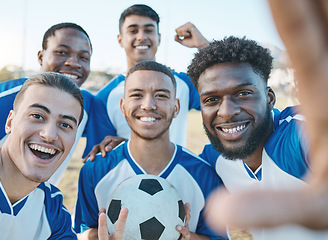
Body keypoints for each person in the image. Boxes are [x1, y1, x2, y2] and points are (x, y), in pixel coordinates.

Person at [185, 33, 328, 239]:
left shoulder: (299, 134)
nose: (226, 111)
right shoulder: (214, 158)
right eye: (212, 99)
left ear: (269, 98)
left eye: (243, 93)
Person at [74, 61, 226, 240]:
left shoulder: (204, 174)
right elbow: (81, 232)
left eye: (161, 95)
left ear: (176, 107)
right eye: (137, 95)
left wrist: (190, 238)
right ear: (123, 106)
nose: (148, 105)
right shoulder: (95, 170)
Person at [0, 22, 116, 185]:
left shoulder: (88, 104)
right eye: (61, 52)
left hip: (40, 207)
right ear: (41, 57)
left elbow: (106, 145)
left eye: (83, 57)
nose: (74, 63)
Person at [0, 72, 82, 239]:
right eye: (37, 116)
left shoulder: (54, 212)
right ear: (10, 123)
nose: (49, 135)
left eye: (65, 124)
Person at [95, 4, 208, 150]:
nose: (141, 37)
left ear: (159, 38)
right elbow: (101, 152)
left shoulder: (183, 83)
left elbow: (226, 88)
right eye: (133, 31)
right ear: (120, 39)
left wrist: (205, 47)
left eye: (148, 30)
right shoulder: (104, 97)